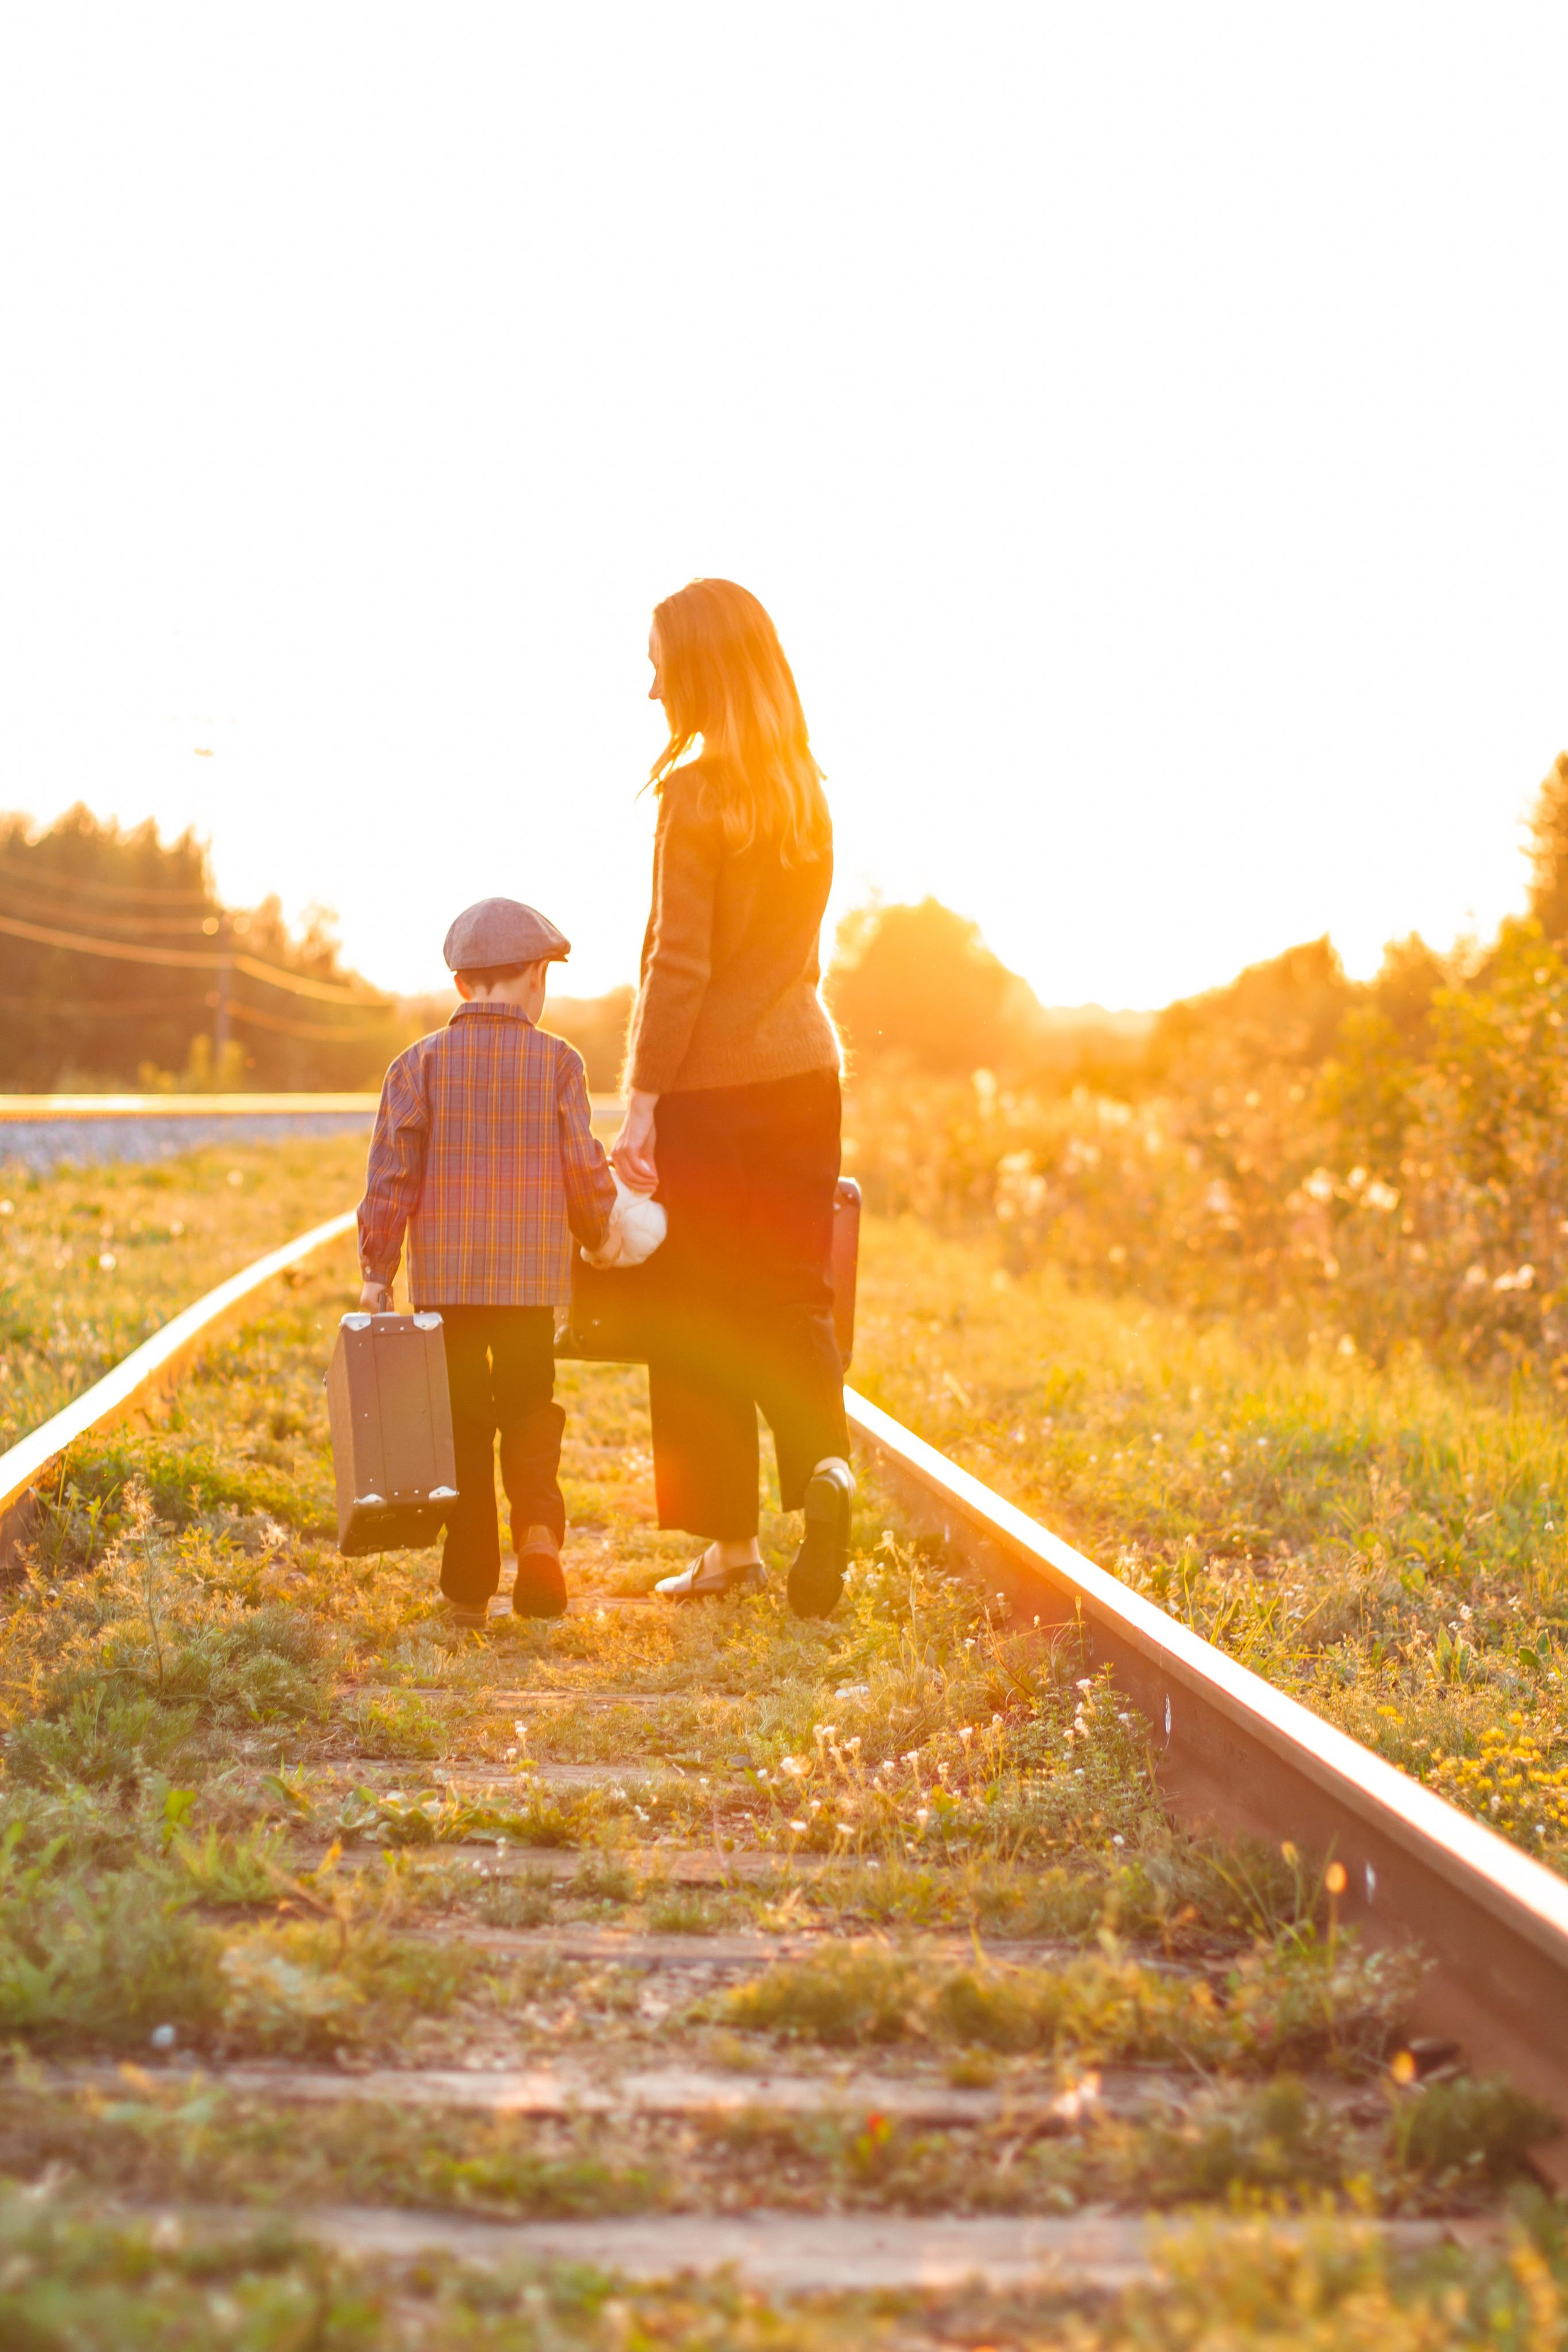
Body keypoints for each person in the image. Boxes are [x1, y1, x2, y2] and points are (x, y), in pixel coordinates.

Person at [613, 578, 854, 1618]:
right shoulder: (805, 789)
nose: (651, 687)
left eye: (659, 665)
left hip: (712, 1090)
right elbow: (798, 955)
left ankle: (730, 1548)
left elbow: (679, 964)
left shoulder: (695, 796)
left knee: (700, 1310)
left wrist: (641, 1101)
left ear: (700, 669)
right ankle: (825, 1466)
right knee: (793, 1292)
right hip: (806, 1075)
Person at [356, 897, 616, 1627]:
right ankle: (537, 1539)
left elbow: (390, 1178)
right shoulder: (560, 1062)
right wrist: (598, 1234)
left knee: (463, 1423)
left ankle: (469, 1580)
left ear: (461, 983)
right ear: (536, 976)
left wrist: (377, 1272)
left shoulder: (416, 1064)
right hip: (530, 1286)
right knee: (531, 1409)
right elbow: (582, 1168)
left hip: (448, 1286)